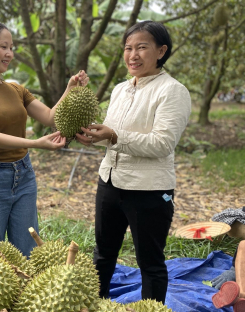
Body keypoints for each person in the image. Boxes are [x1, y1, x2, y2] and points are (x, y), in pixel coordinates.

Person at [76, 21, 191, 303]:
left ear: (161, 51)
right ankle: (94, 306)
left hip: (148, 190)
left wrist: (113, 135)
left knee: (150, 264)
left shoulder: (172, 91)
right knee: (102, 255)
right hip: (110, 183)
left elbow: (162, 143)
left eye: (142, 47)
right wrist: (93, 136)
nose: (133, 55)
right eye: (128, 48)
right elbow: (112, 135)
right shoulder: (120, 89)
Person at [0, 22, 89, 258]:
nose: (10, 53)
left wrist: (70, 89)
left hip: (24, 174)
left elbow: (51, 117)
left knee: (28, 249)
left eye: (12, 47)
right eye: (3, 46)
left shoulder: (16, 89)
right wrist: (35, 143)